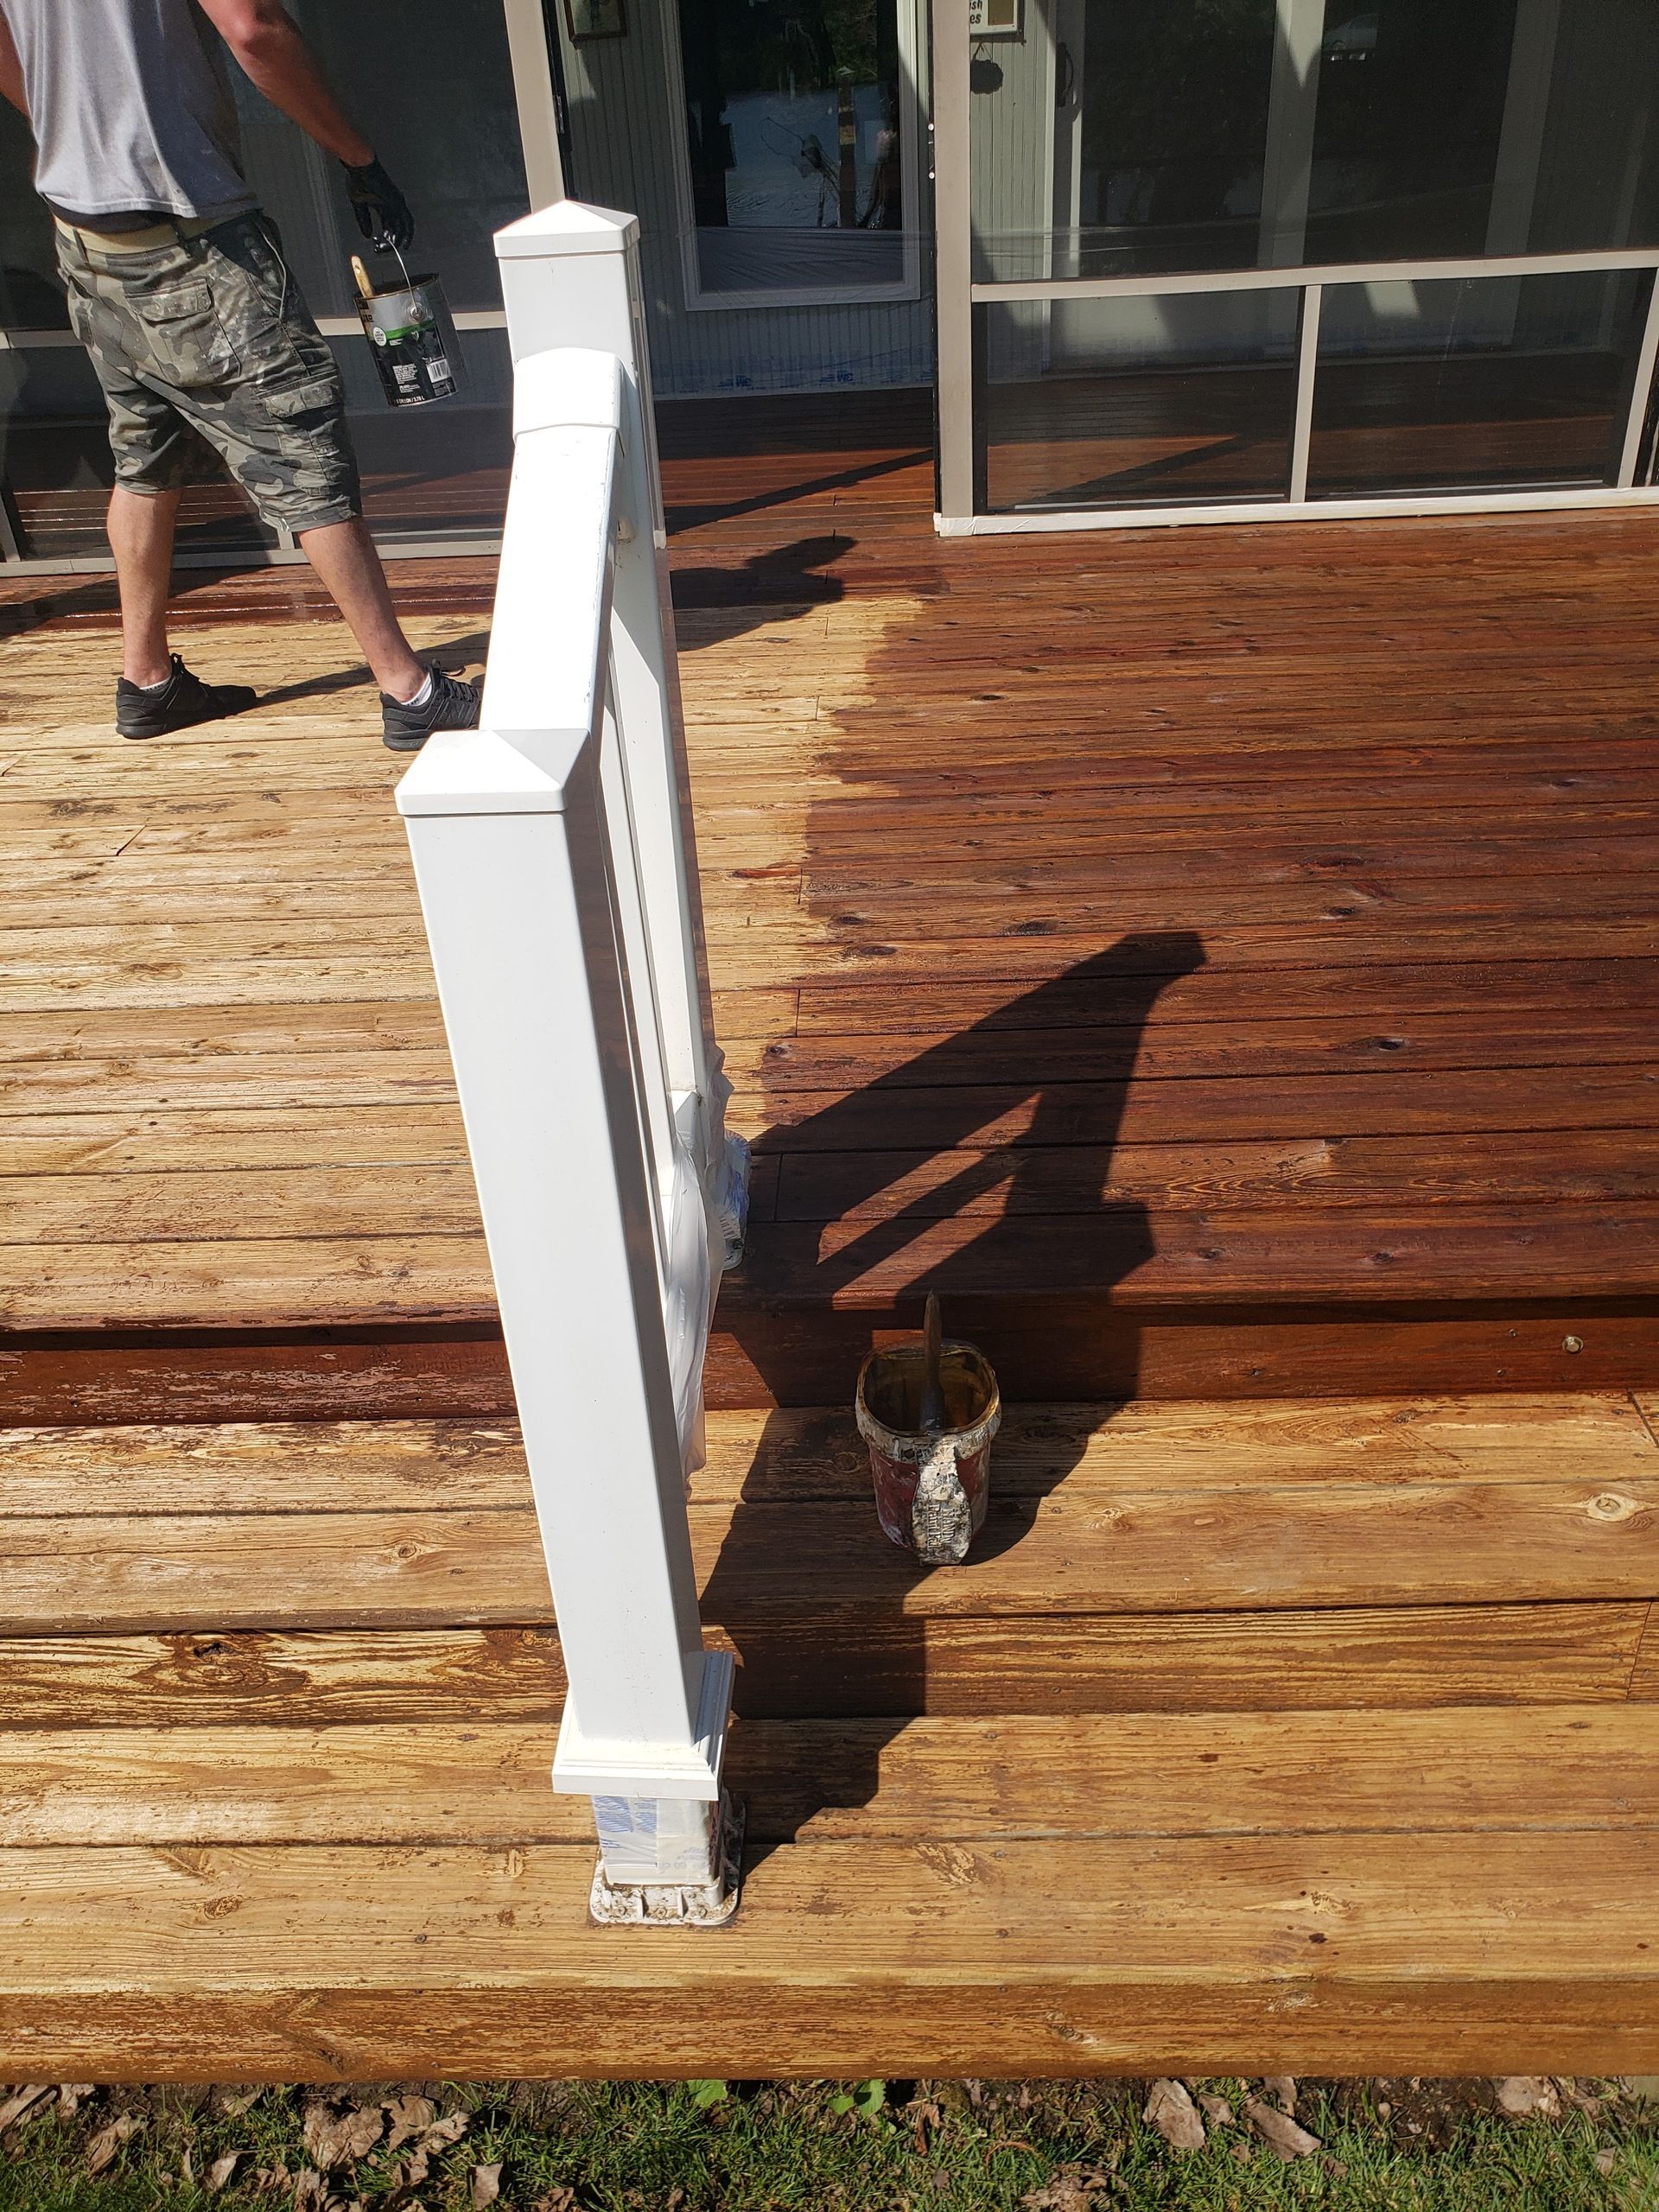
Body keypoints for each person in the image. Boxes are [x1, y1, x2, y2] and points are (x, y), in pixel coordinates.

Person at [0, 0, 482, 751]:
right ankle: (409, 690)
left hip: (86, 237)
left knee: (145, 454)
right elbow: (254, 27)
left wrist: (78, 136)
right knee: (306, 452)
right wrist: (360, 160)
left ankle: (147, 681)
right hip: (190, 243)